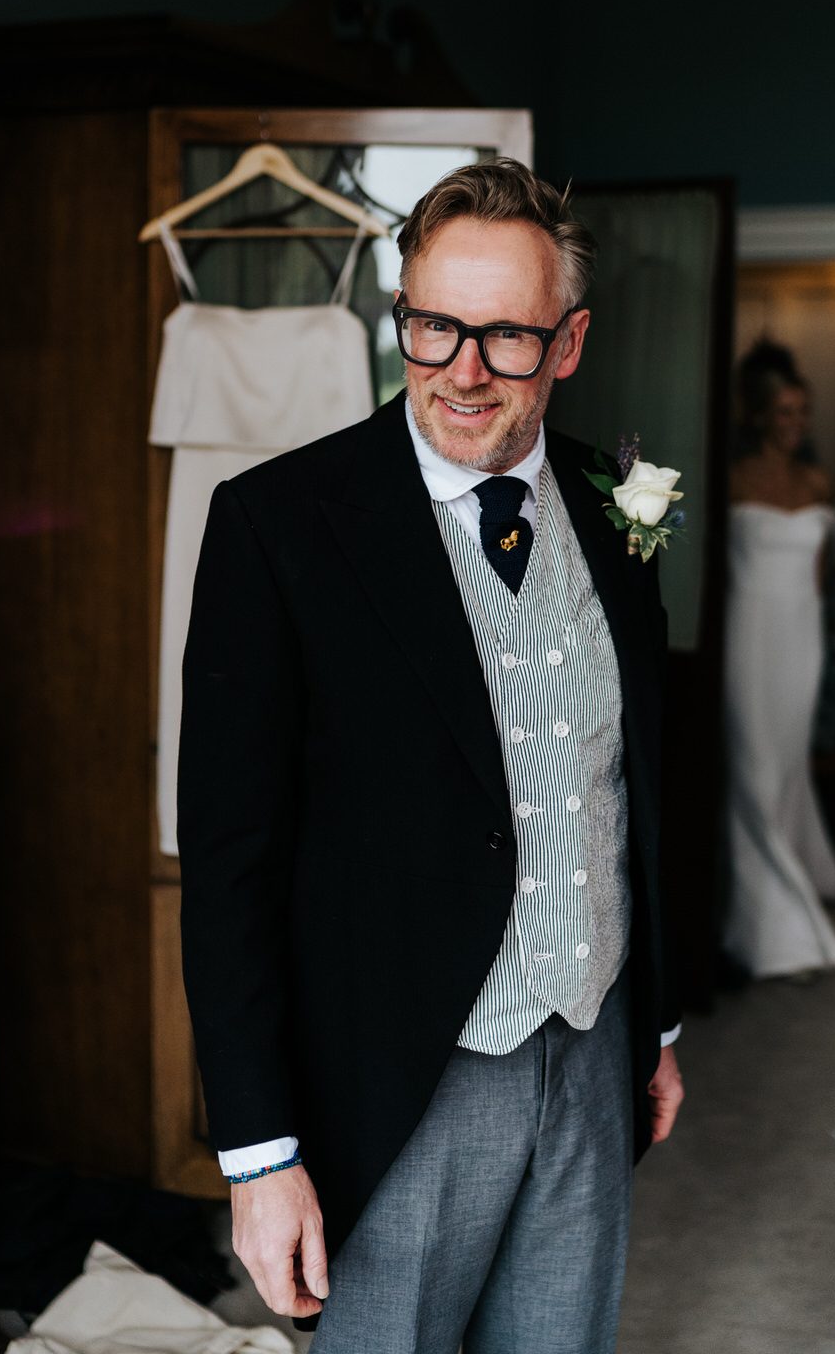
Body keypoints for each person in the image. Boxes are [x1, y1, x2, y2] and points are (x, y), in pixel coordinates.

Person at [177, 158, 684, 1354]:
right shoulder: (278, 527)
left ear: (567, 343)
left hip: (591, 1043)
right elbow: (231, 865)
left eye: (504, 335)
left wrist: (654, 1026)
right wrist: (258, 1154)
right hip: (401, 1076)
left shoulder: (622, 512)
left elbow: (630, 784)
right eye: (431, 325)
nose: (460, 368)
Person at [722, 339, 835, 980]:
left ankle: (800, 874)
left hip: (800, 642)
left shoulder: (819, 482)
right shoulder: (732, 479)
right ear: (758, 415)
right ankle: (777, 934)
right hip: (748, 638)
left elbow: (820, 580)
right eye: (784, 411)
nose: (797, 423)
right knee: (753, 773)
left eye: (804, 411)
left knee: (788, 766)